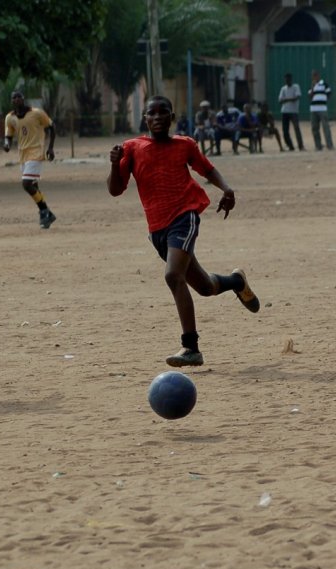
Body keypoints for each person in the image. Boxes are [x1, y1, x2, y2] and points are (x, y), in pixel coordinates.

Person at [106, 96, 261, 367]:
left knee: (172, 275)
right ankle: (237, 282)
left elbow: (207, 169)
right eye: (151, 113)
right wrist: (114, 164)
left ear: (171, 116)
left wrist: (226, 189)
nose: (157, 117)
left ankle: (191, 347)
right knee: (204, 287)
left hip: (184, 217)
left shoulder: (184, 145)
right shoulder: (133, 148)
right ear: (145, 119)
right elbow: (115, 189)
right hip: (157, 229)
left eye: (163, 112)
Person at [3, 90, 57, 229]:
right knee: (34, 186)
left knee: (26, 184)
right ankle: (47, 214)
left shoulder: (37, 113)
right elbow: (9, 133)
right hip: (23, 155)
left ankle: (44, 210)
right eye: (13, 97)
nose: (16, 99)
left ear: (23, 98)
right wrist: (7, 143)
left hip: (36, 151)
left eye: (19, 97)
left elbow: (51, 127)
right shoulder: (10, 117)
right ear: (12, 101)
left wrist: (50, 148)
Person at [278, 73, 305, 151]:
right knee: (285, 130)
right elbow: (280, 101)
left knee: (296, 128)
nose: (287, 81)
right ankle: (290, 146)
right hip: (285, 111)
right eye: (286, 79)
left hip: (293, 111)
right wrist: (289, 99)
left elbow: (297, 97)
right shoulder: (283, 89)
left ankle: (300, 145)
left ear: (291, 79)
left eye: (288, 79)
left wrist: (286, 99)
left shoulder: (296, 87)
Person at [309, 70, 334, 151]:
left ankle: (329, 144)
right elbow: (310, 96)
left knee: (326, 127)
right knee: (314, 128)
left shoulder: (324, 84)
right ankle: (318, 145)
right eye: (313, 75)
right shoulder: (312, 86)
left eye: (316, 75)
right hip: (314, 109)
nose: (315, 77)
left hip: (322, 108)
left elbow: (329, 93)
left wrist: (325, 99)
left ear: (318, 76)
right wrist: (313, 88)